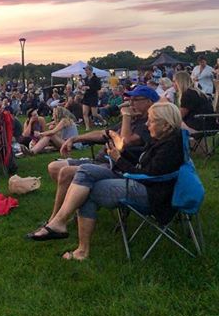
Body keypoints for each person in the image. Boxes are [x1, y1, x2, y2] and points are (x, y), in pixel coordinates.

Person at [27, 103, 185, 261]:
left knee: (89, 190)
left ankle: (79, 247)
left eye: (151, 121)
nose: (146, 124)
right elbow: (143, 164)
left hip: (151, 193)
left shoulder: (169, 146)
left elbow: (149, 174)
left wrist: (119, 159)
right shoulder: (161, 139)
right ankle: (60, 224)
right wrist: (120, 154)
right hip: (139, 181)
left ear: (165, 124)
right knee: (86, 171)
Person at [38, 86, 157, 236]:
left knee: (66, 172)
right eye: (129, 100)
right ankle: (73, 205)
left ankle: (55, 220)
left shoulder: (149, 124)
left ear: (149, 102)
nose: (130, 104)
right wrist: (75, 138)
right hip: (100, 160)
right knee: (54, 167)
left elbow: (124, 142)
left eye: (135, 100)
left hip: (116, 166)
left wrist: (126, 116)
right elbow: (103, 133)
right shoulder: (133, 120)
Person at [81, 66, 101, 130]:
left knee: (94, 114)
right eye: (85, 70)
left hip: (93, 97)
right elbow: (84, 86)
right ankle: (87, 127)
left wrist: (89, 87)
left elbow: (98, 87)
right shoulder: (86, 79)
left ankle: (103, 121)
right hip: (86, 97)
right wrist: (83, 88)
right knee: (84, 113)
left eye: (86, 70)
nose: (85, 72)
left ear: (90, 70)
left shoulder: (96, 78)